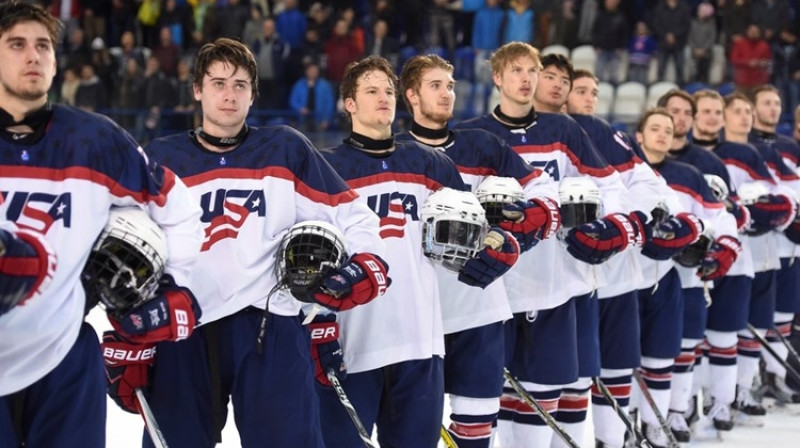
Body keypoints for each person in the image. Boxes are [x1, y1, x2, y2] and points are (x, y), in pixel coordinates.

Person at [134, 38, 391, 448]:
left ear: (253, 94)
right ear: (197, 89)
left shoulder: (285, 148)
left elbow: (352, 214)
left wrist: (366, 263)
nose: (229, 95)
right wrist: (126, 332)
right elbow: (127, 240)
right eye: (218, 83)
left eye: (240, 85)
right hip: (184, 328)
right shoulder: (162, 158)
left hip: (270, 325)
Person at [0, 2, 204, 447]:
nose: (33, 55)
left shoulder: (95, 141)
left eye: (43, 46)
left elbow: (179, 208)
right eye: (17, 44)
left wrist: (174, 286)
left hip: (63, 359)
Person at [316, 55, 519, 448]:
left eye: (388, 91)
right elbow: (310, 255)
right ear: (350, 103)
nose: (383, 98)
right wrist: (317, 322)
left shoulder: (432, 163)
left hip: (420, 345)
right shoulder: (326, 167)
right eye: (371, 91)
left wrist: (502, 244)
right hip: (352, 346)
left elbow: (475, 232)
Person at [455, 42, 638, 448]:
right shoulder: (472, 135)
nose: (526, 79)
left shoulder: (563, 130)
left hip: (556, 280)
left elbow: (609, 185)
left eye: (531, 71)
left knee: (547, 387)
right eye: (516, 71)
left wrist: (615, 225)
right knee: (488, 392)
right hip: (495, 284)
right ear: (497, 77)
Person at [397, 53, 560, 448]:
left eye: (450, 86)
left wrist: (526, 224)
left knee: (478, 423)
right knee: (412, 428)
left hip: (480, 304)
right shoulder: (393, 153)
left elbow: (541, 189)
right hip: (418, 310)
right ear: (412, 95)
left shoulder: (483, 145)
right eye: (436, 86)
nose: (447, 93)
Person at [635, 106, 739, 446]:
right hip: (624, 280)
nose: (663, 134)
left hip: (673, 276)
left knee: (666, 352)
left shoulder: (688, 175)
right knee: (622, 360)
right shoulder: (621, 172)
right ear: (639, 135)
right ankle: (625, 425)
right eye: (656, 128)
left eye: (668, 130)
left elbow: (719, 218)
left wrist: (725, 246)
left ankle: (663, 418)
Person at [747, 84, 800, 404]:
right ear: (753, 108)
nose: (773, 108)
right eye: (766, 102)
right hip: (755, 245)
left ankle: (776, 376)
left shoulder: (790, 147)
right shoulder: (743, 145)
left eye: (777, 103)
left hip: (788, 247)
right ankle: (749, 378)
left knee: (782, 314)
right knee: (753, 316)